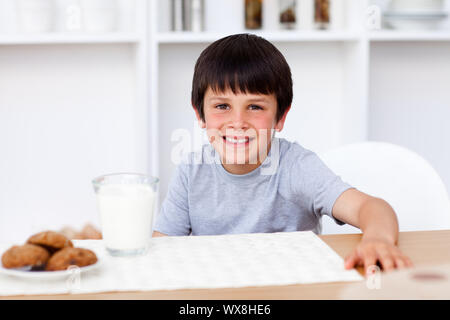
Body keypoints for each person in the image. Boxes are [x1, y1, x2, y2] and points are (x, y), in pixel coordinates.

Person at [152, 33, 413, 274]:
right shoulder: (191, 171)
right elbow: (161, 251)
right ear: (200, 114)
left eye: (254, 106)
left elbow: (373, 207)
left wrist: (377, 238)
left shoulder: (297, 167)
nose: (238, 121)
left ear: (281, 116)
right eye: (222, 106)